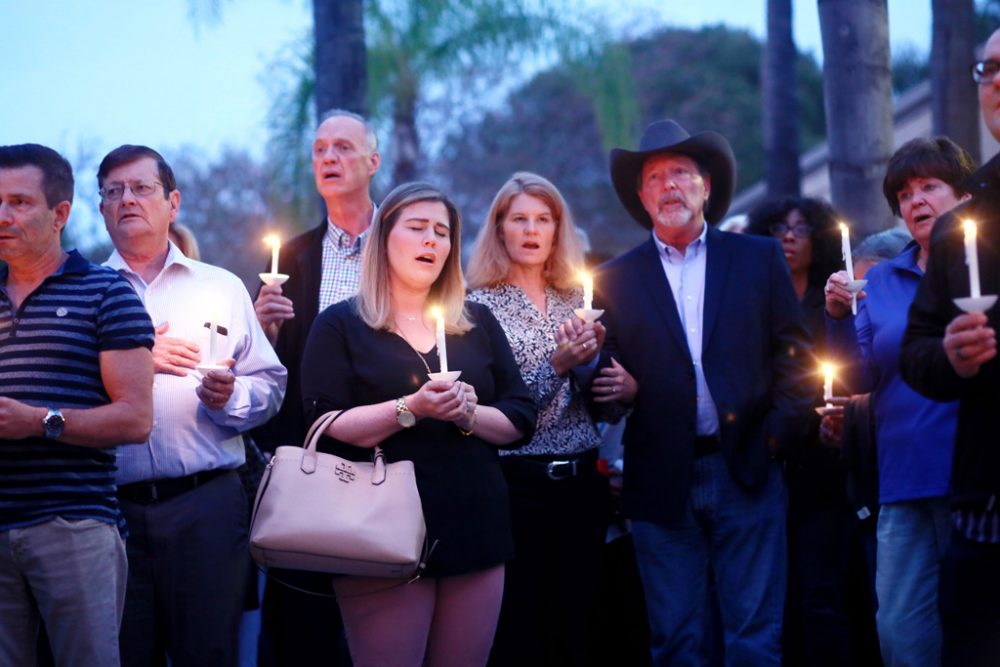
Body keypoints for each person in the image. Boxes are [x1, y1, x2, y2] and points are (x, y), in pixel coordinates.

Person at [595, 119, 814, 665]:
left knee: (755, 638)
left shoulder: (757, 258)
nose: (669, 186)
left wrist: (772, 441)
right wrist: (609, 381)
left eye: (681, 173)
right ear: (641, 196)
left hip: (748, 469)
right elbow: (607, 387)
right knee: (676, 642)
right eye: (654, 177)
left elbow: (798, 360)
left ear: (706, 186)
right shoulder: (612, 279)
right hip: (657, 478)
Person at [299, 181, 536, 666]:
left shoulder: (476, 322)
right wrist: (411, 408)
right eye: (417, 228)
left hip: (475, 524)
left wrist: (469, 412)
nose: (432, 240)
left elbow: (520, 417)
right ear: (384, 237)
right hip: (378, 530)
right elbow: (324, 422)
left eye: (442, 232)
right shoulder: (341, 324)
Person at [98, 144, 287, 667]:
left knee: (211, 652)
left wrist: (233, 397)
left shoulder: (221, 287)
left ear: (172, 202)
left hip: (207, 504)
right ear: (100, 209)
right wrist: (135, 361)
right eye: (113, 192)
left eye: (141, 188)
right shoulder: (85, 293)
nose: (127, 200)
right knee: (122, 654)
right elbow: (56, 394)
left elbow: (269, 383)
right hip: (109, 510)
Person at [465, 172, 637, 666]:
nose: (531, 229)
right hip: (512, 483)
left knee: (580, 624)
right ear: (499, 229)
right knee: (520, 629)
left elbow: (605, 409)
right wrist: (558, 364)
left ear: (559, 230)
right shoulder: (476, 307)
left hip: (582, 480)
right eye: (519, 218)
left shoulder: (579, 301)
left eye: (544, 219)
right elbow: (494, 406)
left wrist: (619, 386)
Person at [0, 143, 155, 666]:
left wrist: (38, 422)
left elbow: (136, 418)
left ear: (60, 213)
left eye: (19, 201)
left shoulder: (106, 293)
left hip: (73, 524)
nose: (3, 215)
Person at [825, 137, 975, 667]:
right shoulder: (881, 281)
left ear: (963, 195)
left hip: (974, 478)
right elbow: (858, 375)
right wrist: (839, 317)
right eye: (904, 193)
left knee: (976, 629)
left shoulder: (986, 266)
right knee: (899, 631)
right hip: (903, 479)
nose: (916, 201)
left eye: (930, 186)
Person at [253, 109, 381, 665]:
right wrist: (265, 331)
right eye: (320, 150)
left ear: (373, 162)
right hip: (309, 455)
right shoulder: (293, 259)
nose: (329, 158)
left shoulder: (405, 247)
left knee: (382, 613)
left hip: (391, 450)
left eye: (344, 148)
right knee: (302, 624)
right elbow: (267, 368)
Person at [901, 29, 1000, 666]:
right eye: (989, 69)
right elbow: (918, 346)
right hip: (991, 492)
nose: (999, 81)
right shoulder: (971, 211)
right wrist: (952, 358)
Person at [746, 197, 880, 666]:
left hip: (824, 460)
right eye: (779, 227)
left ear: (818, 238)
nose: (788, 236)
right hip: (766, 458)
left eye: (801, 229)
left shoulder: (832, 303)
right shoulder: (752, 301)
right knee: (771, 595)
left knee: (822, 588)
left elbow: (850, 364)